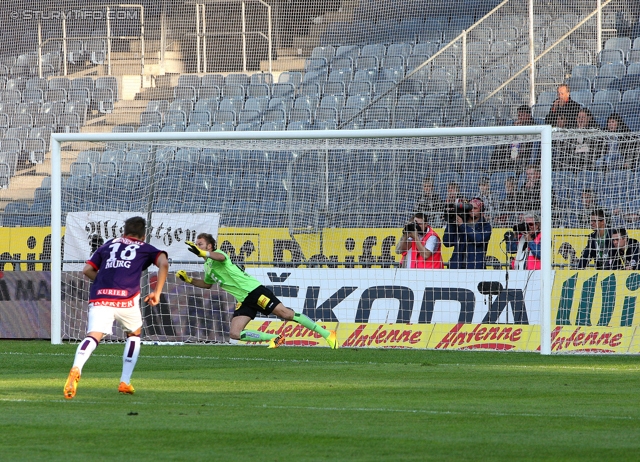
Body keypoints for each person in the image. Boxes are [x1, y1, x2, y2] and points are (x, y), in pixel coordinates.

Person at [63, 216, 170, 400]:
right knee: (134, 334)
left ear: (124, 232)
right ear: (143, 236)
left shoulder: (108, 245)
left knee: (93, 336)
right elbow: (164, 263)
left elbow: (87, 270)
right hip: (126, 298)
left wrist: (104, 280)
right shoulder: (145, 248)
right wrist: (157, 293)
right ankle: (124, 381)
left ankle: (77, 367)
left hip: (101, 297)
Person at [176, 233, 338, 349]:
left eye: (200, 244)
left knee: (286, 314)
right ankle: (274, 338)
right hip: (244, 300)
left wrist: (203, 253)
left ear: (209, 246)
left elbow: (221, 258)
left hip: (254, 291)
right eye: (196, 245)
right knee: (234, 333)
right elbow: (207, 284)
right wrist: (189, 280)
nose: (197, 247)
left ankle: (327, 334)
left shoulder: (219, 255)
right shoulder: (207, 266)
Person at [442, 198, 492, 269]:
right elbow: (447, 242)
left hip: (475, 268)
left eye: (475, 208)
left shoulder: (485, 226)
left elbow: (478, 240)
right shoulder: (459, 223)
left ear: (481, 210)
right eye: (470, 207)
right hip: (456, 267)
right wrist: (451, 222)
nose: (472, 210)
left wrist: (462, 225)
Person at [490, 105, 536, 172]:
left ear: (529, 115)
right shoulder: (516, 125)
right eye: (519, 115)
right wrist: (515, 129)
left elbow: (530, 144)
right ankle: (493, 171)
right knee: (499, 149)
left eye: (522, 115)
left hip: (526, 152)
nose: (520, 118)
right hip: (513, 150)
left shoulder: (534, 127)